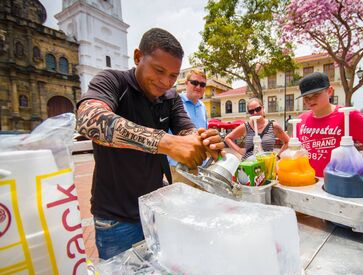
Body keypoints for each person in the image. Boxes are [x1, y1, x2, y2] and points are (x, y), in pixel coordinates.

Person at [76, 28, 224, 259]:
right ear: (137, 57)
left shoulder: (170, 97)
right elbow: (89, 119)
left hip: (156, 209)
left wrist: (203, 140)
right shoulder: (112, 81)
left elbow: (187, 130)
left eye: (173, 76)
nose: (165, 81)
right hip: (116, 219)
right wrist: (164, 142)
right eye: (159, 70)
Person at [295, 72, 363, 177]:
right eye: (306, 97)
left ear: (330, 91)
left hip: (338, 185)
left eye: (316, 94)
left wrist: (362, 170)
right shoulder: (301, 120)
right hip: (308, 183)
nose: (311, 100)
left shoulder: (347, 115)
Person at [168, 69, 208, 185]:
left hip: (202, 167)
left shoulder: (203, 106)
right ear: (186, 83)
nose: (198, 87)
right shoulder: (175, 102)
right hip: (180, 167)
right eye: (195, 83)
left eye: (202, 84)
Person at [224, 98, 289, 160]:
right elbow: (227, 138)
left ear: (263, 108)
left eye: (258, 109)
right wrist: (239, 150)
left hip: (267, 165)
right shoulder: (246, 126)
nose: (255, 113)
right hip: (249, 165)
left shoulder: (273, 126)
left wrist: (278, 157)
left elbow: (288, 142)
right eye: (251, 111)